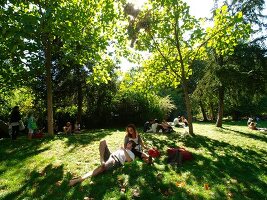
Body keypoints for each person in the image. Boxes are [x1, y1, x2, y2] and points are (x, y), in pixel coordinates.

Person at [68, 140, 136, 186]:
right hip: (111, 155)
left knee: (101, 168)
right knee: (103, 142)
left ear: (132, 146)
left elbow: (129, 160)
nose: (127, 143)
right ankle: (102, 159)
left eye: (130, 143)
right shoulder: (122, 149)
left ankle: (78, 180)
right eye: (128, 142)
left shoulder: (131, 153)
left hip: (116, 161)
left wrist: (124, 150)